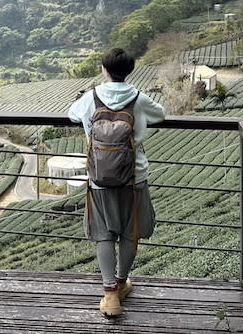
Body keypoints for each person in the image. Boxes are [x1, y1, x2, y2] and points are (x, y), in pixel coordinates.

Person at [67, 47, 166, 318]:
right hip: (134, 177)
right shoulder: (139, 98)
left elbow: (72, 115)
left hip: (98, 178)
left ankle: (110, 294)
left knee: (103, 234)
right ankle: (122, 283)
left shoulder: (92, 97)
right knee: (129, 232)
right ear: (129, 70)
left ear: (104, 69)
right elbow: (162, 115)